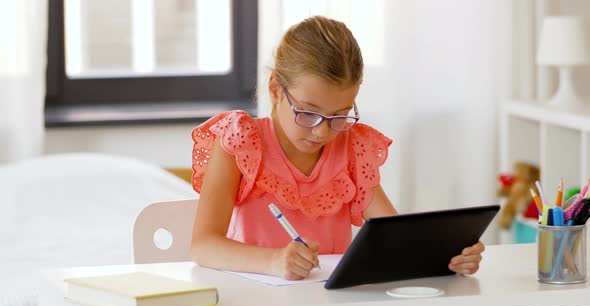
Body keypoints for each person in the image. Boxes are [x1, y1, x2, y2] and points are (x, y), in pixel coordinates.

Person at [191, 16, 484, 280]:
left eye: (339, 115)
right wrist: (274, 261)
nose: (322, 131)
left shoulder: (351, 147)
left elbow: (396, 234)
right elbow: (203, 246)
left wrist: (448, 254)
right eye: (308, 113)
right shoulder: (239, 140)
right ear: (276, 90)